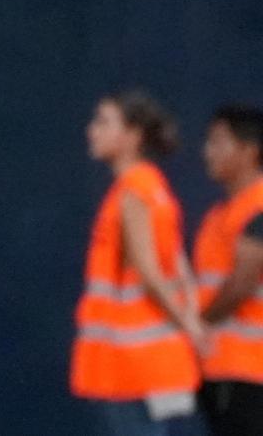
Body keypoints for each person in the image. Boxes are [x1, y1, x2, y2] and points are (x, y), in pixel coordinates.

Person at [72, 90, 203, 435]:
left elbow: (149, 272)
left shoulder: (132, 192)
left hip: (130, 367)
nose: (92, 130)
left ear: (132, 136)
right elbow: (179, 267)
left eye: (103, 122)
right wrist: (190, 322)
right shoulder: (155, 188)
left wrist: (190, 326)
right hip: (155, 363)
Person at [193, 104, 263, 435]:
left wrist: (193, 325)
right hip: (221, 370)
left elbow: (241, 286)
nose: (208, 152)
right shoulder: (217, 217)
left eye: (218, 142)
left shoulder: (258, 209)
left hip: (252, 375)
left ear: (250, 151)